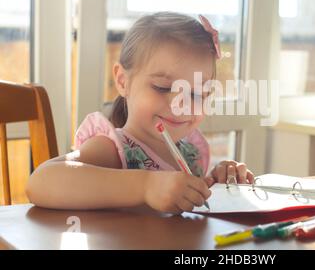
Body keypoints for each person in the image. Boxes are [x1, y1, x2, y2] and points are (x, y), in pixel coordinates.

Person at [26, 12, 254, 213]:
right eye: (163, 88)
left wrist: (218, 181)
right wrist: (145, 186)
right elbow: (40, 182)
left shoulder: (191, 155)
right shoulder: (112, 149)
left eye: (196, 94)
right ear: (123, 81)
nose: (180, 104)